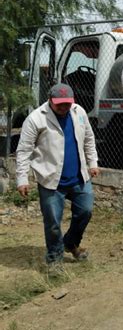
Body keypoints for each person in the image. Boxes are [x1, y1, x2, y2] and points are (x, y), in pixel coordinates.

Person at [16, 83, 99, 274]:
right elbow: (23, 151)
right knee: (53, 222)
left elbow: (88, 138)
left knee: (85, 211)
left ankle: (70, 243)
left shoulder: (79, 112)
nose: (63, 108)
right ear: (50, 101)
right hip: (50, 180)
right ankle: (54, 259)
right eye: (59, 104)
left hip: (79, 177)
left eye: (67, 104)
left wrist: (93, 162)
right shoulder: (36, 118)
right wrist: (22, 179)